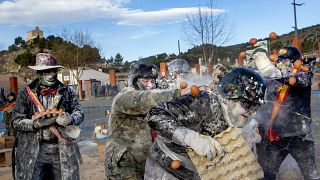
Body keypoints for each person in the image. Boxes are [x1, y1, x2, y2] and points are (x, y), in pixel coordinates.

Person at [144, 67, 267, 179]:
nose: (254, 113)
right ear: (229, 97)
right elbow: (155, 115)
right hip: (167, 166)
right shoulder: (203, 102)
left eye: (257, 107)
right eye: (249, 105)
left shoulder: (240, 116)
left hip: (198, 170)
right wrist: (191, 138)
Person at [104, 63, 184, 180]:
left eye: (152, 80)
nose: (150, 85)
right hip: (124, 166)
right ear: (134, 80)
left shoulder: (154, 104)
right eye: (146, 81)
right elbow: (144, 100)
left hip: (145, 164)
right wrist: (179, 93)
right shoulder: (124, 96)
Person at [11, 53, 84, 180]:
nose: (52, 74)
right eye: (47, 71)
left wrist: (70, 119)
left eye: (54, 70)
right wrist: (35, 124)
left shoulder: (67, 92)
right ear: (38, 73)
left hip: (62, 151)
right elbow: (16, 121)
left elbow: (79, 112)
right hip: (34, 152)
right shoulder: (25, 94)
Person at [254, 46, 320, 179]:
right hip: (277, 137)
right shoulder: (272, 78)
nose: (280, 64)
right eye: (279, 61)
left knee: (311, 176)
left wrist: (277, 74)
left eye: (285, 61)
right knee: (267, 174)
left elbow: (297, 81)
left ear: (295, 61)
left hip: (300, 136)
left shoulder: (303, 74)